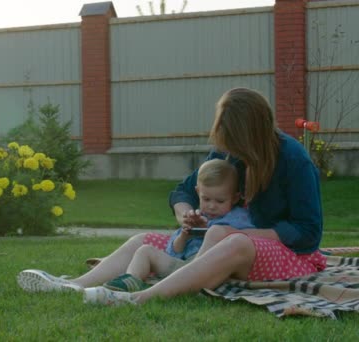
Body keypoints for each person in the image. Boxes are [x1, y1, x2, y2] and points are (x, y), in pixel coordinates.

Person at [17, 87, 326, 306]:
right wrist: (185, 214)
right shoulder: (227, 151)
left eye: (233, 144)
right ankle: (72, 285)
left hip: (288, 256)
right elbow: (184, 190)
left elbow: (308, 234)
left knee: (234, 241)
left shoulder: (293, 160)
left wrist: (242, 233)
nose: (227, 151)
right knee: (143, 241)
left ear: (250, 136)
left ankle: (137, 299)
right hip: (216, 243)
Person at [103, 158, 254, 292]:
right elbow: (173, 251)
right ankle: (131, 280)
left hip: (209, 271)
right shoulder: (195, 216)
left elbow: (236, 249)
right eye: (206, 199)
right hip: (181, 267)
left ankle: (165, 287)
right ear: (197, 193)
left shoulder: (238, 218)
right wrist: (185, 234)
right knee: (145, 250)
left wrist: (210, 230)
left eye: (220, 201)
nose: (212, 206)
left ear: (234, 198)